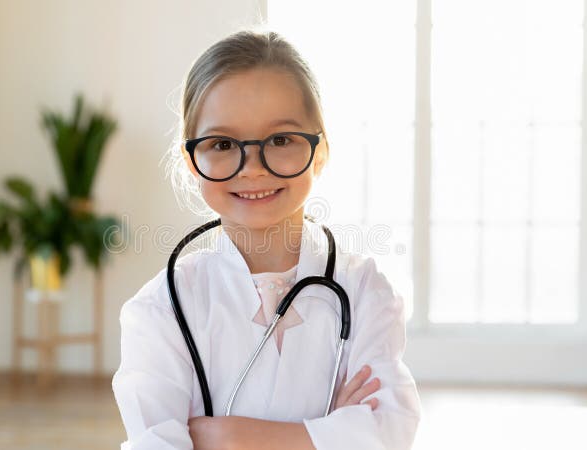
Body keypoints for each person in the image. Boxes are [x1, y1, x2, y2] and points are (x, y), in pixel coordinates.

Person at [112, 29, 421, 450]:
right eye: (222, 143)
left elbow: (387, 433)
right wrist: (326, 433)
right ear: (192, 161)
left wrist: (228, 437)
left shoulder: (366, 290)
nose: (252, 168)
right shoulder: (161, 309)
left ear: (322, 149)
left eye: (280, 140)